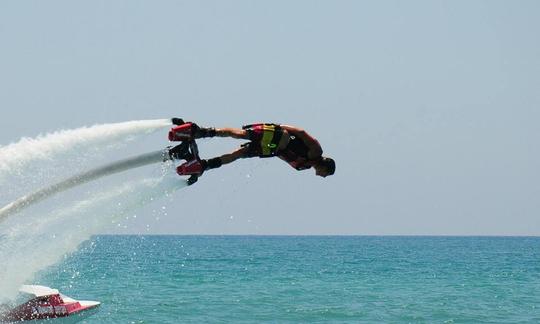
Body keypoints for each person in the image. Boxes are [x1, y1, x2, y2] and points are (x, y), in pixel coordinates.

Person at [168, 118, 335, 179]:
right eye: (326, 174)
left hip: (270, 149)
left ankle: (205, 165)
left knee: (238, 154)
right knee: (240, 134)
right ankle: (200, 132)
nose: (323, 176)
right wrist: (276, 126)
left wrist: (264, 151)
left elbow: (283, 155)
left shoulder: (304, 166)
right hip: (277, 136)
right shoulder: (316, 152)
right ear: (325, 166)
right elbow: (300, 132)